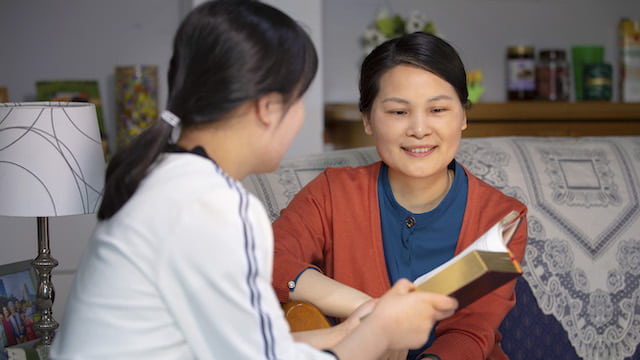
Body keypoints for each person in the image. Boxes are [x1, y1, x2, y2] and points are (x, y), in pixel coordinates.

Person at [49, 2, 457, 359]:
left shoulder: (170, 180)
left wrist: (351, 331)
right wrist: (382, 332)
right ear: (267, 108)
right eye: (299, 100)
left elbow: (250, 346)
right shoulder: (214, 206)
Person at [272, 32, 528, 360]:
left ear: (463, 116)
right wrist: (371, 311)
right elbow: (269, 260)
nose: (419, 129)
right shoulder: (332, 193)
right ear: (367, 119)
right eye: (398, 112)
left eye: (437, 109)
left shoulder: (503, 218)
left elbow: (472, 330)